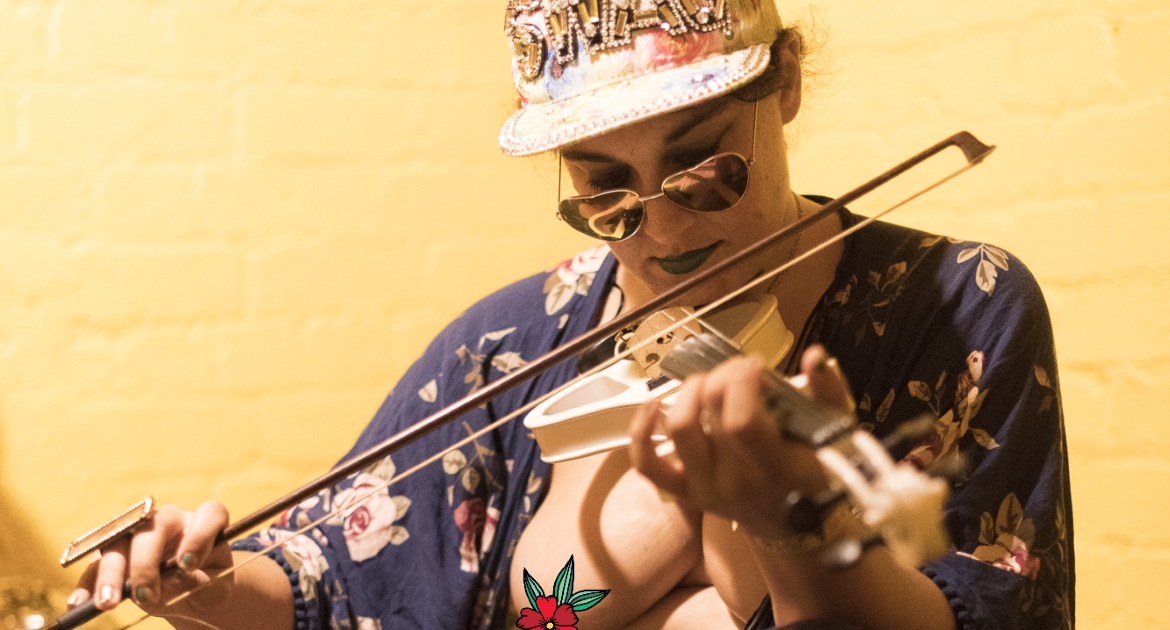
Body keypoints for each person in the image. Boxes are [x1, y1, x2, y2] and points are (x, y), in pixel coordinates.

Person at [69, 1, 1073, 629]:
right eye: (606, 189)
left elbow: (992, 608)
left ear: (788, 85)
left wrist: (799, 531)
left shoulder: (959, 308)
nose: (663, 227)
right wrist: (209, 587)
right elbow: (340, 581)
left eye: (702, 163)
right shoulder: (509, 341)